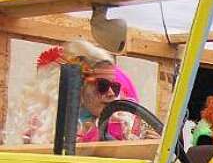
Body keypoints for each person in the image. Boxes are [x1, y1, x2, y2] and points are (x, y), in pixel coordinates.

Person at [6, 40, 144, 145]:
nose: (111, 93)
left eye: (115, 87)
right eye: (102, 85)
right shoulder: (42, 129)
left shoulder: (120, 127)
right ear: (77, 85)